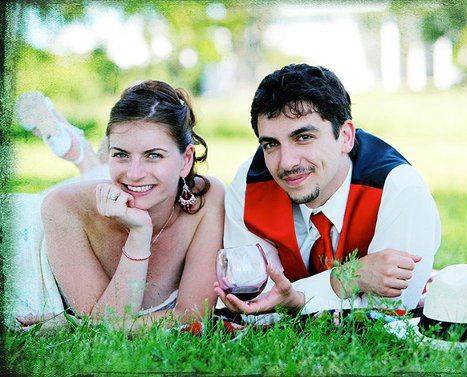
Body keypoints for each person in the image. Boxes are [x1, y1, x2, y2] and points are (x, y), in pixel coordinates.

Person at [215, 64, 441, 317]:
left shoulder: (399, 187)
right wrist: (349, 277)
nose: (287, 162)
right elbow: (257, 302)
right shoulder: (249, 185)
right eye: (271, 144)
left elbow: (394, 307)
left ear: (345, 136)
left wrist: (296, 299)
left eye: (303, 137)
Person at [8, 80, 224, 330]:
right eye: (120, 154)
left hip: (104, 192)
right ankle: (82, 151)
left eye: (153, 155)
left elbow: (193, 314)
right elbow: (106, 326)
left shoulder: (207, 198)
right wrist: (140, 234)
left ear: (186, 160)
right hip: (23, 229)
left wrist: (76, 325)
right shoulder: (62, 206)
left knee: (113, 180)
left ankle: (81, 151)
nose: (134, 173)